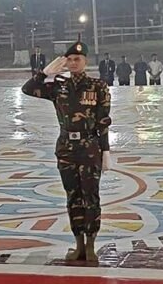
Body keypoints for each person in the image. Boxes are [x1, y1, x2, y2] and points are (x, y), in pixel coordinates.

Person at [21, 36, 111, 263]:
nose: (73, 63)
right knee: (73, 197)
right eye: (69, 59)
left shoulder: (98, 87)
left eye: (77, 59)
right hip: (66, 149)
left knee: (91, 196)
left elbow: (103, 121)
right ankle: (78, 244)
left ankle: (91, 244)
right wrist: (44, 72)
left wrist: (105, 151)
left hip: (89, 147)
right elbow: (28, 89)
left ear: (85, 61)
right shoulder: (57, 87)